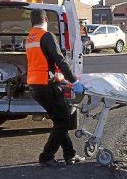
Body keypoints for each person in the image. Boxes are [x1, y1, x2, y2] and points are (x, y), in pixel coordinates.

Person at [26, 9, 85, 167]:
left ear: (32, 22)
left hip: (35, 84)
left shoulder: (31, 37)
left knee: (60, 120)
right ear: (45, 19)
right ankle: (46, 156)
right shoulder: (47, 36)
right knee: (63, 121)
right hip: (46, 85)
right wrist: (74, 80)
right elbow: (59, 60)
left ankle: (69, 154)